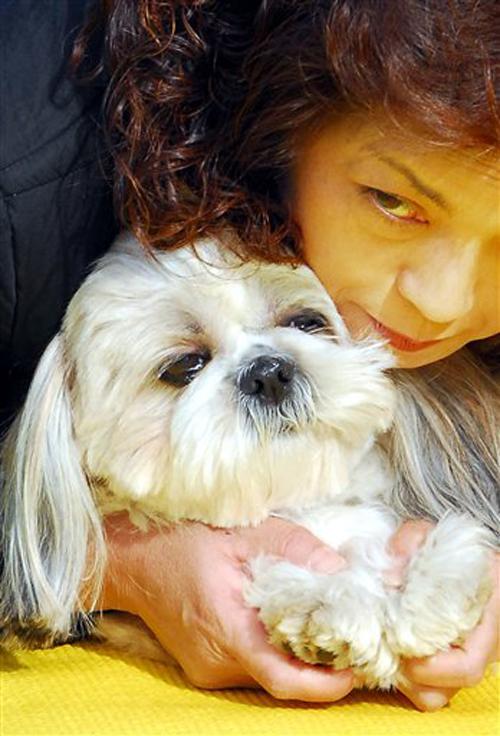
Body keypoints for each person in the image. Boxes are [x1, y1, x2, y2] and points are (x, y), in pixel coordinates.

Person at [0, 0, 498, 713]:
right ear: (278, 133)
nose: (445, 302)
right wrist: (115, 565)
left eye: (303, 321)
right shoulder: (22, 194)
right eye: (393, 201)